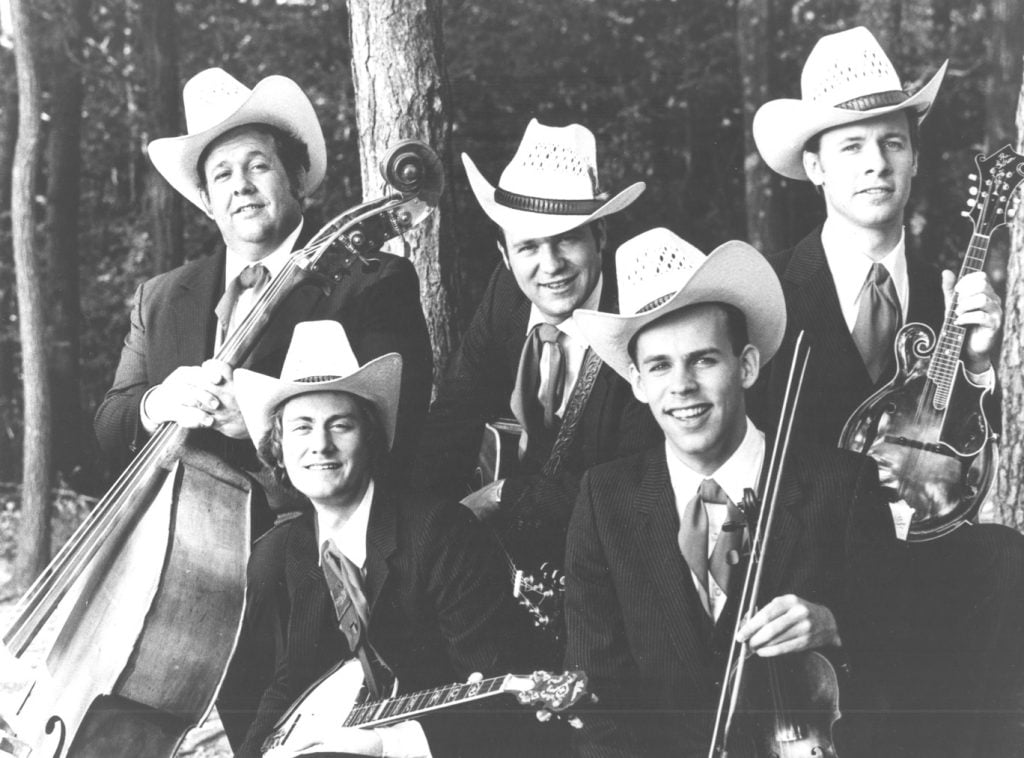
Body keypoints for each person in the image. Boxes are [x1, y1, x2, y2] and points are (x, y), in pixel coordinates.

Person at [751, 26, 1024, 756]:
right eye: (851, 146)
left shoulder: (954, 290)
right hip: (809, 572)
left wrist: (985, 365)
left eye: (893, 143)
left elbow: (970, 456)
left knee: (1006, 564)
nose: (876, 164)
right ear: (814, 165)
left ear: (914, 156)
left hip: (929, 569)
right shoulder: (769, 294)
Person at [564, 228, 897, 757]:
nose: (682, 387)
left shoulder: (843, 484)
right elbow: (598, 696)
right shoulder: (605, 501)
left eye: (703, 360)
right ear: (636, 382)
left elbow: (904, 649)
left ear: (746, 365)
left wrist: (834, 626)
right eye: (659, 366)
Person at [94, 68, 433, 533]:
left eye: (257, 165)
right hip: (181, 548)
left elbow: (393, 440)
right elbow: (111, 424)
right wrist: (156, 404)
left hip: (306, 548)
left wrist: (258, 425)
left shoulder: (374, 284)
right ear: (208, 200)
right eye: (222, 175)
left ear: (295, 177)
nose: (241, 186)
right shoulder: (160, 297)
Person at [228, 320, 533, 757]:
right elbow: (287, 682)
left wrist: (383, 745)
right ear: (277, 447)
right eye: (300, 427)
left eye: (340, 425)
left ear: (369, 438)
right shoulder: (280, 553)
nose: (320, 445)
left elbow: (500, 695)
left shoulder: (441, 534)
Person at [413, 118, 661, 580]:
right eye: (528, 247)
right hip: (511, 560)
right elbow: (454, 415)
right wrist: (421, 524)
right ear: (505, 257)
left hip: (611, 559)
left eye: (567, 239)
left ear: (600, 238)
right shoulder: (505, 295)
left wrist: (502, 497)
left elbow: (634, 481)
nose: (550, 267)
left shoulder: (640, 318)